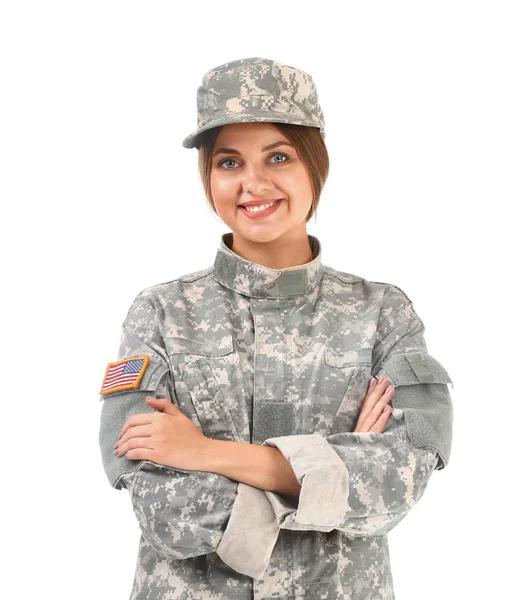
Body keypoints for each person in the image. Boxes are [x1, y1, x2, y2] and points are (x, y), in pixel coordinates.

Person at [98, 56, 454, 600]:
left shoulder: (384, 312)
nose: (253, 183)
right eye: (229, 162)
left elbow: (397, 482)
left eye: (279, 156)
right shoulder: (159, 312)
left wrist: (202, 452)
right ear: (208, 177)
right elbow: (163, 509)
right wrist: (336, 467)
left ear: (316, 164)